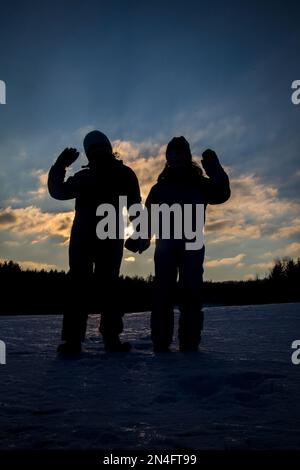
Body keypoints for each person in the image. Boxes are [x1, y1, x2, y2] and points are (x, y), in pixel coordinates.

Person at [48, 130, 141, 355]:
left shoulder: (124, 174)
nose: (98, 152)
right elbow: (58, 191)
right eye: (93, 149)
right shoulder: (85, 177)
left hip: (107, 237)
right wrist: (60, 165)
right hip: (84, 238)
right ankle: (74, 341)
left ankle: (109, 338)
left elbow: (135, 205)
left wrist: (140, 233)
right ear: (89, 154)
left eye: (101, 147)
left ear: (109, 149)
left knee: (107, 286)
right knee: (81, 286)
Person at [144, 137, 230, 352]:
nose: (175, 157)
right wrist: (141, 236)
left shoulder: (199, 184)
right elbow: (148, 217)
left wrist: (214, 168)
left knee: (191, 292)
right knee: (163, 293)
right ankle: (161, 343)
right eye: (171, 154)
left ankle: (190, 343)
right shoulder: (159, 188)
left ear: (187, 156)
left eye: (179, 153)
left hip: (192, 245)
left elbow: (222, 193)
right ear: (167, 158)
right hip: (165, 247)